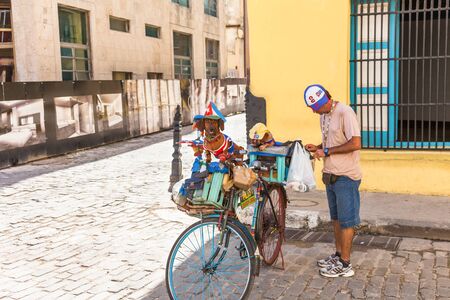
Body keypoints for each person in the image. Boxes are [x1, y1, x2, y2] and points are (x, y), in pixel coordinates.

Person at [303, 84, 362, 278]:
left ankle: (345, 264)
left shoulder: (345, 112)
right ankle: (338, 256)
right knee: (336, 220)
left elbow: (355, 143)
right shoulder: (324, 116)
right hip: (330, 175)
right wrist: (319, 146)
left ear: (324, 101)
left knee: (347, 222)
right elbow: (333, 141)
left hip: (346, 176)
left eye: (315, 108)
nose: (313, 112)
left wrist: (326, 151)